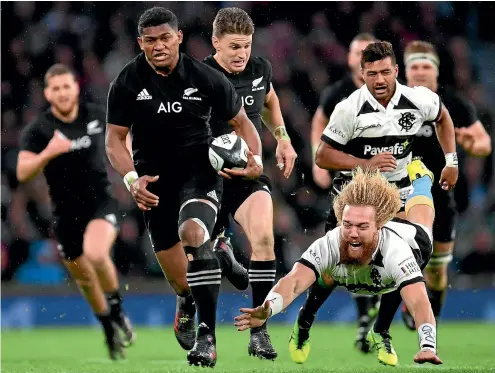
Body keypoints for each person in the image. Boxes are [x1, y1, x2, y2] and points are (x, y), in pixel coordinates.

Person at [105, 7, 262, 367]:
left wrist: (255, 158)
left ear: (178, 37)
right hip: (153, 184)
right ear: (140, 43)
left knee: (192, 233)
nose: (158, 46)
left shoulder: (205, 77)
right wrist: (132, 179)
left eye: (165, 38)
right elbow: (114, 141)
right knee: (183, 283)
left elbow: (241, 122)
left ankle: (207, 339)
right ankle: (211, 262)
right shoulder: (127, 82)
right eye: (150, 40)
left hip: (199, 175)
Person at [290, 41, 458, 366]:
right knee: (330, 274)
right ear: (361, 75)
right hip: (354, 197)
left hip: (398, 195)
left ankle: (380, 330)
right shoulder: (348, 108)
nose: (379, 79)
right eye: (371, 74)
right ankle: (304, 323)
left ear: (396, 70)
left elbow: (443, 117)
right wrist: (362, 164)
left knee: (406, 261)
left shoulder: (418, 99)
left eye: (384, 72)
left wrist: (451, 161)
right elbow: (322, 156)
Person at [234, 159, 443, 367]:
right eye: (348, 225)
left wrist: (427, 346)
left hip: (407, 247)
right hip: (356, 271)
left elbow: (418, 302)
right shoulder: (331, 242)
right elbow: (294, 281)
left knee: (423, 221)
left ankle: (423, 179)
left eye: (362, 226)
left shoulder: (398, 252)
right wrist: (268, 308)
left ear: (378, 226)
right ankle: (304, 324)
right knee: (326, 273)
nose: (352, 233)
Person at [17, 64, 134, 360]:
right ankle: (107, 325)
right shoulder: (39, 129)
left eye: (66, 86)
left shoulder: (96, 115)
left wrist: (134, 171)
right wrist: (49, 152)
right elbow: (22, 172)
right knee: (82, 278)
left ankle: (117, 310)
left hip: (100, 203)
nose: (62, 93)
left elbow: (123, 143)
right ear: (47, 93)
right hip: (65, 214)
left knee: (96, 254)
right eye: (55, 88)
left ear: (76, 87)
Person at [202, 7, 298, 360]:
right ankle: (219, 254)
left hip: (249, 173)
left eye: (247, 45)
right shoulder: (198, 76)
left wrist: (283, 138)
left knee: (264, 238)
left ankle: (259, 331)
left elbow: (270, 99)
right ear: (216, 43)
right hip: (206, 178)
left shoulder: (260, 69)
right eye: (234, 47)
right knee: (198, 257)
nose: (242, 53)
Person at [400, 41, 492, 328]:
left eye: (426, 66)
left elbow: (484, 143)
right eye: (415, 66)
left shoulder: (453, 103)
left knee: (438, 271)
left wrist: (471, 142)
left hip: (442, 195)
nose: (421, 72)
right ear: (406, 71)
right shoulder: (394, 101)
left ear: (436, 72)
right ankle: (397, 310)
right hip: (402, 193)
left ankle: (430, 320)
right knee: (403, 258)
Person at [308, 32, 380, 353]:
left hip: (386, 181)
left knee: (377, 246)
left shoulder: (391, 92)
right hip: (347, 182)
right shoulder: (337, 93)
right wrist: (317, 160)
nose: (362, 57)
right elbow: (319, 122)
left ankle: (378, 308)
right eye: (356, 52)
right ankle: (369, 313)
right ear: (350, 59)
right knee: (353, 248)